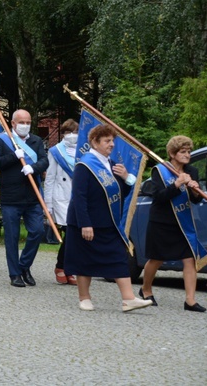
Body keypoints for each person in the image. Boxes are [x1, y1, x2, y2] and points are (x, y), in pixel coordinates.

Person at [65, 124, 151, 312]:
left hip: (108, 221)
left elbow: (121, 193)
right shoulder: (84, 165)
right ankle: (84, 297)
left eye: (112, 140)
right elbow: (79, 196)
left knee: (119, 257)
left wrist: (127, 177)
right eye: (107, 141)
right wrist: (85, 223)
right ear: (95, 143)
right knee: (84, 260)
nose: (111, 144)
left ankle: (128, 299)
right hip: (86, 221)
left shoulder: (113, 166)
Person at [140, 136, 206, 312]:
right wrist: (177, 184)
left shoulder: (192, 170)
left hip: (182, 223)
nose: (187, 155)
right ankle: (145, 289)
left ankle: (190, 301)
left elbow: (194, 199)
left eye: (189, 152)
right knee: (156, 259)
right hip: (161, 222)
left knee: (190, 259)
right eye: (183, 152)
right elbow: (159, 197)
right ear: (172, 154)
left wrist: (194, 189)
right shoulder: (160, 171)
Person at [0, 109, 48, 287]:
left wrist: (34, 168)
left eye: (28, 122)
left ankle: (24, 266)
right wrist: (13, 157)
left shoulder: (36, 141)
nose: (25, 125)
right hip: (11, 197)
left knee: (37, 231)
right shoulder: (3, 140)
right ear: (13, 123)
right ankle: (14, 274)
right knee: (12, 237)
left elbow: (44, 161)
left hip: (32, 196)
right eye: (22, 122)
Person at [44, 118, 79, 285]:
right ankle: (62, 267)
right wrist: (48, 204)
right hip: (61, 198)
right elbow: (50, 178)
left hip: (77, 197)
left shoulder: (83, 151)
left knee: (76, 234)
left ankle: (67, 267)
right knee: (70, 232)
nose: (72, 136)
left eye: (75, 132)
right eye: (68, 132)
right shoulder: (55, 151)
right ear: (63, 134)